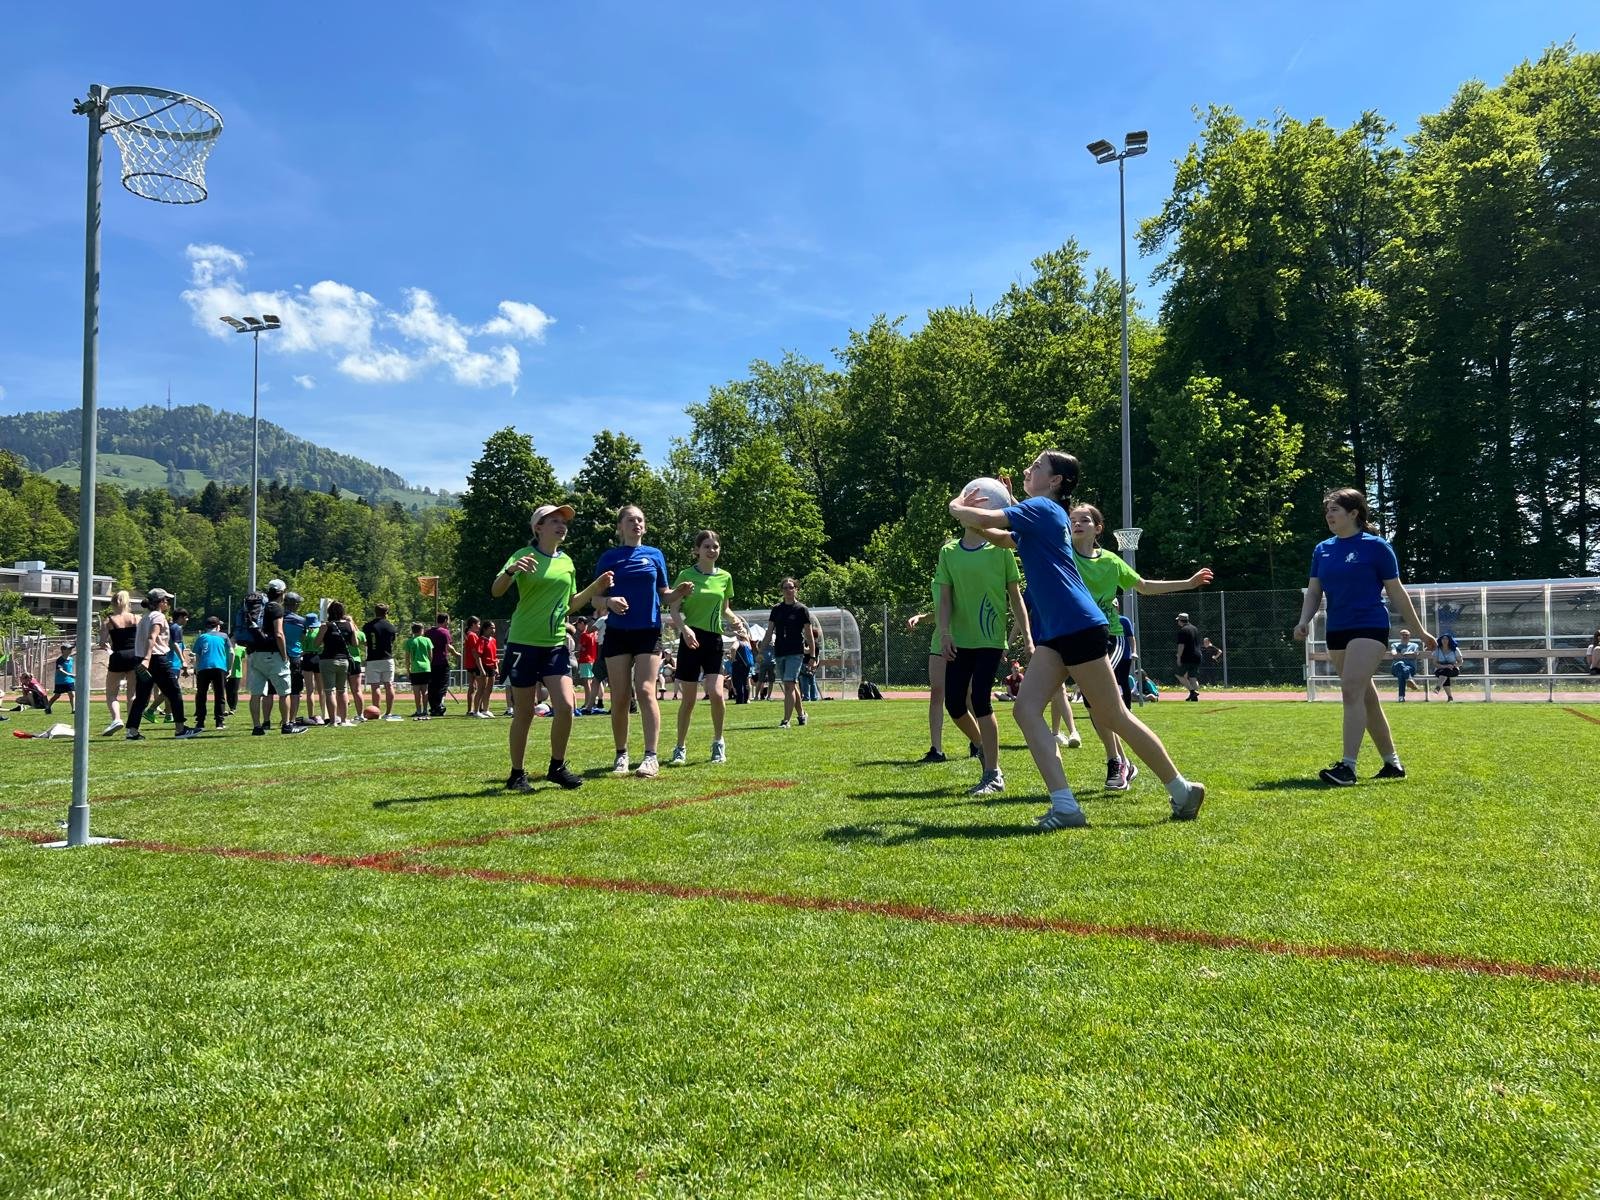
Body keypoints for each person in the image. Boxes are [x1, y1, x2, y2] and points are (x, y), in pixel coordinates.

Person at [950, 451, 1206, 830]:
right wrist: (987, 515)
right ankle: (1066, 806)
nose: (1027, 470)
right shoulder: (1041, 513)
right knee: (1026, 710)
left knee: (1113, 715)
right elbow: (1003, 538)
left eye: (1036, 467)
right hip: (1059, 630)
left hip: (1076, 624)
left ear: (1055, 481)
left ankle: (1182, 788)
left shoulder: (1043, 508)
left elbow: (984, 519)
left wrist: (957, 504)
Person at [1294, 487, 1433, 785]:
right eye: (1327, 510)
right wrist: (1304, 620)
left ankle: (1348, 767)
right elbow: (1315, 591)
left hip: (1369, 626)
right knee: (1364, 696)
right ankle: (1392, 764)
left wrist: (1420, 631)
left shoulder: (1377, 547)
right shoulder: (1322, 549)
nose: (1329, 515)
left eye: (1334, 509)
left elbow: (1396, 591)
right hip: (1337, 630)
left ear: (1353, 513)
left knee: (1350, 689)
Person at [1069, 503, 1213, 790]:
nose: (1077, 523)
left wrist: (1188, 582)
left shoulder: (1110, 562)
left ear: (1098, 528)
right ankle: (1120, 761)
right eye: (1072, 519)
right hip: (1077, 637)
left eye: (1084, 519)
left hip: (1111, 638)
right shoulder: (1064, 556)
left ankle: (1117, 762)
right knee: (1094, 704)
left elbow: (1145, 586)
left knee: (1104, 704)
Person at [491, 502, 615, 791]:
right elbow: (496, 591)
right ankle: (517, 774)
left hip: (555, 643)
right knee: (524, 712)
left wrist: (595, 587)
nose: (562, 525)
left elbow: (571, 604)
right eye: (554, 521)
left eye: (564, 521)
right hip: (524, 642)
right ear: (538, 527)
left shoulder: (567, 562)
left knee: (566, 705)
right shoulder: (523, 555)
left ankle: (556, 767)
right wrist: (510, 571)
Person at [593, 504, 693, 779]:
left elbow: (664, 595)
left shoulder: (655, 555)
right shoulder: (609, 558)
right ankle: (621, 754)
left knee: (647, 690)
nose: (636, 523)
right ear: (620, 527)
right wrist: (609, 601)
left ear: (644, 526)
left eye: (640, 520)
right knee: (621, 696)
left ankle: (651, 757)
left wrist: (679, 593)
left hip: (648, 631)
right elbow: (594, 599)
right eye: (630, 520)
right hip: (617, 632)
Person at [934, 520, 1031, 795]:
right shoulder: (949, 552)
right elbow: (944, 598)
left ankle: (992, 773)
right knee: (954, 704)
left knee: (980, 699)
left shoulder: (1001, 550)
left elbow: (1016, 598)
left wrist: (1027, 636)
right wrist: (944, 634)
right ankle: (983, 747)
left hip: (990, 639)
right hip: (959, 641)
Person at [667, 528, 746, 765]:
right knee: (688, 700)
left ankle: (718, 743)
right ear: (697, 550)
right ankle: (680, 747)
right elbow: (673, 609)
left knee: (716, 693)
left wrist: (736, 621)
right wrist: (685, 630)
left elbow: (725, 609)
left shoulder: (725, 577)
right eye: (707, 547)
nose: (712, 550)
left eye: (715, 547)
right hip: (690, 638)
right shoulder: (685, 575)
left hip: (713, 639)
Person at [125, 588, 198, 740]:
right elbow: (152, 637)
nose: (168, 603)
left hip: (142, 659)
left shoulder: (145, 617)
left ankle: (132, 731)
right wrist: (147, 658)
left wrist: (143, 659)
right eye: (166, 600)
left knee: (142, 697)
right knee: (174, 692)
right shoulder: (158, 616)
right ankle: (180, 729)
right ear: (160, 602)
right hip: (156, 659)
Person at [247, 579, 303, 736]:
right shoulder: (276, 608)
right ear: (282, 593)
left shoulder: (259, 607)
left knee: (256, 693)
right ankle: (286, 725)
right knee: (284, 691)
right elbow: (279, 633)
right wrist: (284, 655)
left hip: (255, 653)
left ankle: (257, 727)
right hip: (272, 654)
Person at [762, 578, 818, 729]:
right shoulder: (776, 609)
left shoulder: (801, 609)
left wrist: (812, 656)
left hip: (796, 652)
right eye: (785, 588)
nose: (788, 590)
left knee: (788, 685)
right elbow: (769, 632)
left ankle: (786, 720)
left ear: (796, 589)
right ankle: (802, 715)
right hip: (780, 651)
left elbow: (809, 634)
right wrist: (761, 651)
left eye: (791, 587)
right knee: (791, 685)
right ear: (781, 591)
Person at [309, 601, 360, 727]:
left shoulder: (326, 626)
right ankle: (343, 720)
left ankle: (332, 721)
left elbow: (316, 644)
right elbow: (355, 643)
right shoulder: (349, 625)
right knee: (342, 690)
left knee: (329, 691)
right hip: (344, 661)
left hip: (327, 660)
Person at [99, 590, 139, 735]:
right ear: (128, 602)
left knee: (111, 693)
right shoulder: (136, 618)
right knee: (132, 695)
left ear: (113, 603)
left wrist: (109, 647)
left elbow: (102, 642)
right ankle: (132, 727)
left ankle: (116, 719)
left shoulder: (108, 621)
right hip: (134, 656)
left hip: (118, 656)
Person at [190, 616, 231, 731]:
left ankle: (200, 722)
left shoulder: (202, 637)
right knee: (220, 694)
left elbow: (197, 655)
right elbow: (231, 652)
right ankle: (219, 722)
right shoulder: (224, 636)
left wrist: (197, 669)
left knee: (201, 695)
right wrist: (229, 668)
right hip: (220, 667)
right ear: (217, 626)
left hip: (203, 668)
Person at [282, 592, 315, 728]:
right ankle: (291, 719)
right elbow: (303, 638)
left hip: (280, 655)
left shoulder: (278, 618)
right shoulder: (301, 621)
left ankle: (268, 720)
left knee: (277, 691)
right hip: (295, 655)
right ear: (294, 605)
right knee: (295, 690)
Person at [363, 603, 400, 720]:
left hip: (373, 659)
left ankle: (376, 711)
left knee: (375, 687)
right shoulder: (390, 626)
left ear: (375, 612)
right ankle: (388, 712)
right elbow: (392, 641)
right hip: (387, 658)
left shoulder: (368, 626)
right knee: (389, 685)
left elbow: (366, 641)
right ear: (386, 613)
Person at [425, 612, 459, 717]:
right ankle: (439, 706)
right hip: (442, 662)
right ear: (445, 620)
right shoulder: (445, 632)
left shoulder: (428, 632)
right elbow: (448, 646)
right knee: (442, 686)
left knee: (432, 686)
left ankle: (433, 707)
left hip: (430, 663)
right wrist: (456, 654)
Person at [573, 616, 602, 713]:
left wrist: (576, 651)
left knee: (586, 683)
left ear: (582, 624)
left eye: (578, 625)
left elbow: (579, 647)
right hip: (593, 659)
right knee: (594, 681)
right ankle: (595, 701)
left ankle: (588, 703)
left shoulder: (584, 635)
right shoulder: (593, 633)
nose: (577, 627)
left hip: (585, 660)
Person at [404, 623, 434, 719]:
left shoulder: (409, 642)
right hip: (426, 667)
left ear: (412, 631)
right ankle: (425, 710)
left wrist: (408, 669)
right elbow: (431, 655)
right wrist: (428, 664)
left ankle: (418, 710)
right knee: (425, 691)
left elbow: (407, 658)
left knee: (416, 691)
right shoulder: (427, 640)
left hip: (415, 668)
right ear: (422, 630)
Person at [1174, 613, 1204, 701]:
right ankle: (1194, 696)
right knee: (1192, 677)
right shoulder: (1194, 628)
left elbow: (1181, 645)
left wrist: (1179, 657)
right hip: (1197, 655)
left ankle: (1192, 692)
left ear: (1180, 620)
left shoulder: (1183, 630)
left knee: (1178, 674)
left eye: (1178, 620)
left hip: (1188, 656)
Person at [1389, 628, 1423, 701]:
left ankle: (1401, 697)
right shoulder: (1395, 645)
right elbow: (1394, 654)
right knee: (1400, 664)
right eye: (1403, 635)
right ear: (1400, 636)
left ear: (1409, 636)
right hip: (1395, 668)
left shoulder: (1414, 645)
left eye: (1406, 635)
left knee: (1401, 674)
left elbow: (1415, 654)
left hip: (1410, 668)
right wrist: (1408, 655)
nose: (1405, 636)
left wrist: (1402, 654)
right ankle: (1409, 679)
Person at [475, 619, 498, 720]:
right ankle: (476, 711)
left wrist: (496, 668)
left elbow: (494, 655)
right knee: (481, 689)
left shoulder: (493, 640)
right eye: (491, 628)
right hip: (483, 666)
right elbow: (478, 656)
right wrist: (481, 670)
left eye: (494, 628)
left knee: (489, 689)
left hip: (491, 667)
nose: (493, 630)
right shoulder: (481, 640)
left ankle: (486, 709)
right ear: (485, 629)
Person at [45, 643, 75, 714]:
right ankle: (47, 707)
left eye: (71, 649)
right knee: (57, 695)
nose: (71, 650)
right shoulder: (60, 660)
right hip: (60, 681)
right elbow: (59, 670)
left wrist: (70, 676)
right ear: (63, 650)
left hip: (69, 680)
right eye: (69, 649)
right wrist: (70, 675)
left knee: (72, 694)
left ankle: (73, 709)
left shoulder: (71, 659)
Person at [1432, 633, 1462, 700]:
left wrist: (1452, 665)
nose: (1444, 640)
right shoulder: (1438, 649)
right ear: (1440, 640)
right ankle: (1450, 697)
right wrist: (1445, 666)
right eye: (1443, 638)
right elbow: (1435, 663)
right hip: (1440, 669)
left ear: (1450, 640)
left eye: (1446, 639)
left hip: (1453, 669)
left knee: (1445, 673)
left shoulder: (1455, 649)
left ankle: (1438, 687)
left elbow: (1460, 662)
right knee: (1445, 673)